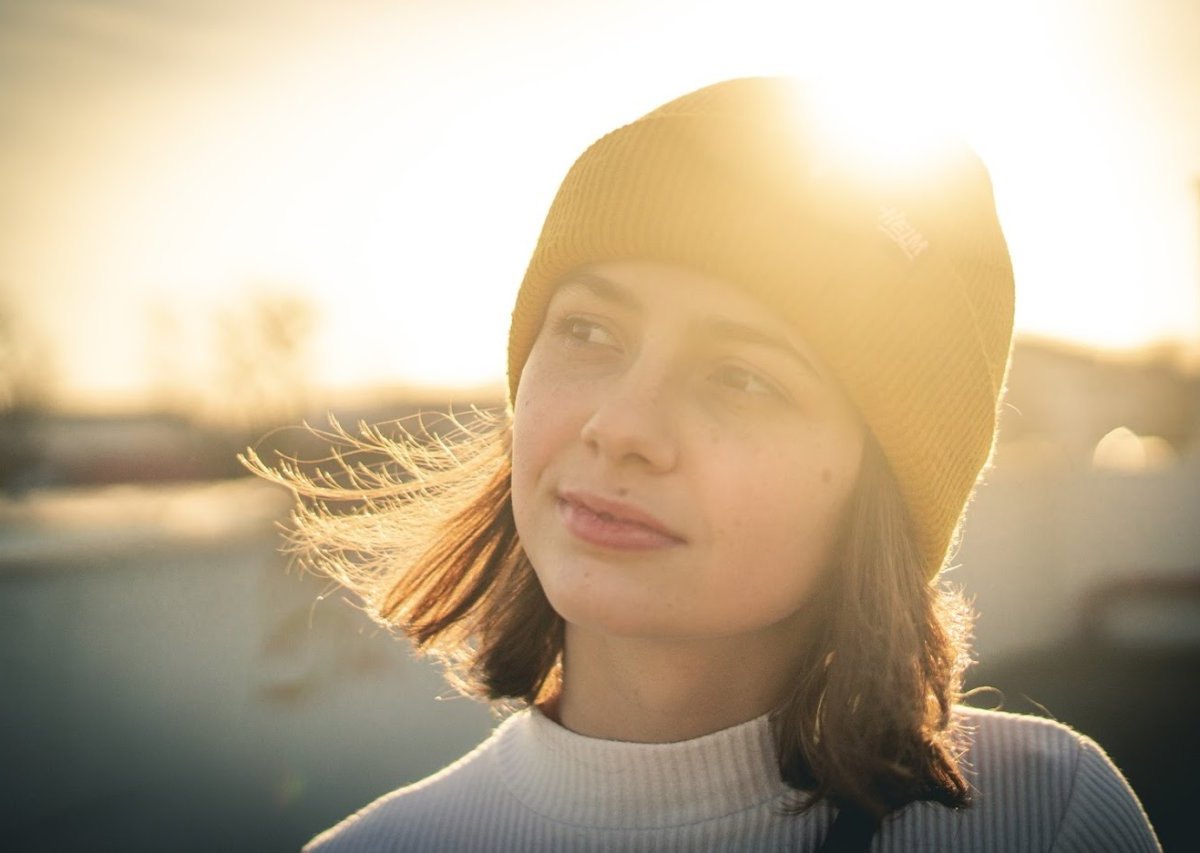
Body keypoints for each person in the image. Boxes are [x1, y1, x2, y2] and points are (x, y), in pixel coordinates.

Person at [247, 77, 1161, 851]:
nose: (622, 425)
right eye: (589, 330)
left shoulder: (1040, 814)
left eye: (742, 377)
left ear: (880, 486)